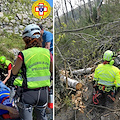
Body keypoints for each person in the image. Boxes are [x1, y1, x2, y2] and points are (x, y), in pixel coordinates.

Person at [9, 24, 53, 120]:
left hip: (28, 94)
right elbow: (51, 70)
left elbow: (14, 72)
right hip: (43, 93)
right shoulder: (47, 53)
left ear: (26, 40)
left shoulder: (24, 54)